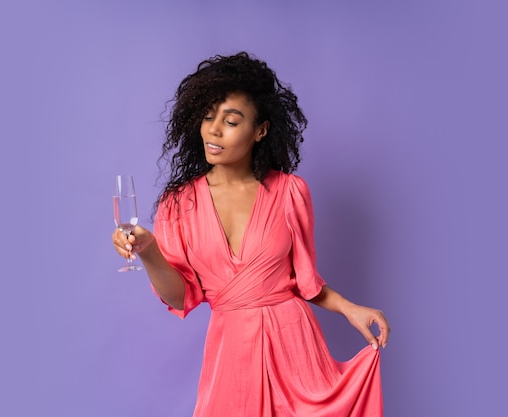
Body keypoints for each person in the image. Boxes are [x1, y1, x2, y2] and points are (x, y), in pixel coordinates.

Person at [112, 51, 391, 416]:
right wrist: (148, 250)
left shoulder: (291, 192)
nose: (213, 129)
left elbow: (305, 282)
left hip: (296, 351)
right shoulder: (179, 204)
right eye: (208, 117)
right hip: (231, 356)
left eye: (230, 121)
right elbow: (180, 298)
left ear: (260, 130)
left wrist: (350, 309)